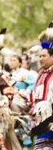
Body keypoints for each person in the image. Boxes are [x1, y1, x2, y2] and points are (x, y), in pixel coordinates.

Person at [30, 22, 53, 150]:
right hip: (43, 119)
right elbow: (38, 95)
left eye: (44, 56)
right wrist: (34, 107)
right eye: (39, 56)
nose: (41, 59)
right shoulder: (41, 74)